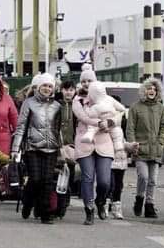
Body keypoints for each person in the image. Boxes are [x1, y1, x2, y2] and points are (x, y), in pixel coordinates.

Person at [11, 73, 63, 225]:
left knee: (47, 180)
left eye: (49, 86)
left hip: (51, 148)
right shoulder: (29, 103)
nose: (47, 88)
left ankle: (45, 212)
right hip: (32, 147)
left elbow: (58, 129)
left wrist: (62, 149)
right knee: (35, 179)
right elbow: (21, 126)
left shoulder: (57, 106)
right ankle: (28, 202)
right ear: (38, 87)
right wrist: (15, 149)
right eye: (44, 86)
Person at [72, 66, 115, 225]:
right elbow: (83, 117)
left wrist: (109, 123)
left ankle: (101, 201)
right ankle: (89, 209)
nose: (86, 83)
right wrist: (100, 122)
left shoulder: (106, 99)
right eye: (83, 81)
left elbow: (116, 117)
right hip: (85, 142)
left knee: (104, 181)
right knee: (87, 177)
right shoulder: (77, 100)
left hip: (104, 143)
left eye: (89, 80)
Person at [127, 78, 164, 219]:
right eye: (149, 88)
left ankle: (149, 205)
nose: (152, 91)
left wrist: (161, 141)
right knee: (143, 177)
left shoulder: (161, 108)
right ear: (144, 90)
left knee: (153, 180)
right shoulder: (135, 107)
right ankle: (139, 199)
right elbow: (130, 128)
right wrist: (132, 144)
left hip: (156, 150)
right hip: (140, 149)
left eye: (154, 89)